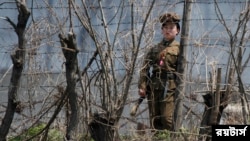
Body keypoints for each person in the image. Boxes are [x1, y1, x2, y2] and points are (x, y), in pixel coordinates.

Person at [138, 12, 181, 131]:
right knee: (155, 119)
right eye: (165, 27)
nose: (168, 30)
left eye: (171, 28)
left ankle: (173, 139)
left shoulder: (180, 49)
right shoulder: (155, 49)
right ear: (162, 30)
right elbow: (145, 67)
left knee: (167, 118)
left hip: (170, 86)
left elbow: (182, 70)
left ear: (177, 30)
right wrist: (142, 86)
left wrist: (180, 87)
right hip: (154, 85)